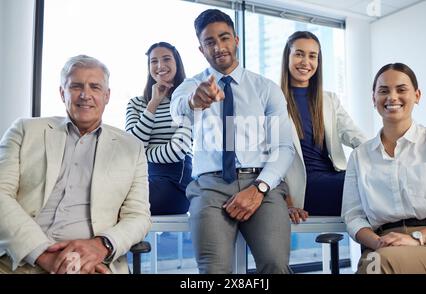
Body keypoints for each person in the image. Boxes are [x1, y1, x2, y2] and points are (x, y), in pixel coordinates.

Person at [0, 55, 151, 274]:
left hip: (94, 266)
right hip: (20, 260)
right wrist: (42, 254)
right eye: (76, 86)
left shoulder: (131, 148)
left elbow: (138, 216)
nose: (85, 95)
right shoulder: (24, 130)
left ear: (107, 96)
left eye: (95, 87)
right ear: (62, 92)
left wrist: (102, 246)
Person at [170, 9, 295, 274]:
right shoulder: (191, 86)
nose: (218, 47)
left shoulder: (265, 88)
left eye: (224, 38)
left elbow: (284, 148)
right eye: (210, 42)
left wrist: (260, 188)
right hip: (210, 186)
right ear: (201, 49)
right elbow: (178, 108)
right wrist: (196, 100)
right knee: (213, 271)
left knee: (275, 264)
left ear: (236, 40)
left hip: (261, 182)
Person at [342, 63, 426, 274]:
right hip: (383, 245)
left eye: (401, 89)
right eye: (383, 91)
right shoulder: (359, 156)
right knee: (375, 262)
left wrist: (417, 238)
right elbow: (353, 216)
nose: (392, 97)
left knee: (376, 265)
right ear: (374, 99)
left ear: (417, 96)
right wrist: (377, 242)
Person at [281, 31, 366, 223]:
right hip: (302, 186)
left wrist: (385, 155)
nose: (305, 62)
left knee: (374, 182)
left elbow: (353, 135)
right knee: (368, 191)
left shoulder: (329, 100)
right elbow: (265, 156)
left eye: (312, 56)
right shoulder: (273, 99)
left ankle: (383, 247)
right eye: (299, 54)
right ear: (287, 56)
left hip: (333, 176)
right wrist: (283, 198)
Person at [126, 42, 192, 215]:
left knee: (123, 204)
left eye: (166, 59)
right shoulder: (136, 103)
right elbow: (131, 148)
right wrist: (153, 104)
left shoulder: (186, 102)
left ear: (177, 63)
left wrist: (144, 151)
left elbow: (177, 152)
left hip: (175, 182)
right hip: (140, 178)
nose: (160, 65)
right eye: (153, 61)